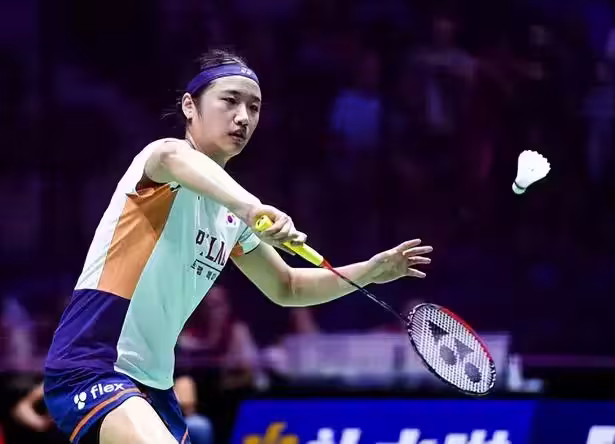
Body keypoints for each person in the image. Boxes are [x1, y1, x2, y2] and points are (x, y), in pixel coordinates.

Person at [43, 48, 432, 444]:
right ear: (189, 106)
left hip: (155, 386)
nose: (243, 117)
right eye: (229, 101)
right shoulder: (160, 164)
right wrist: (250, 209)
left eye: (254, 107)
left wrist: (371, 270)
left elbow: (287, 286)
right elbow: (174, 158)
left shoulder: (230, 218)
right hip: (94, 362)